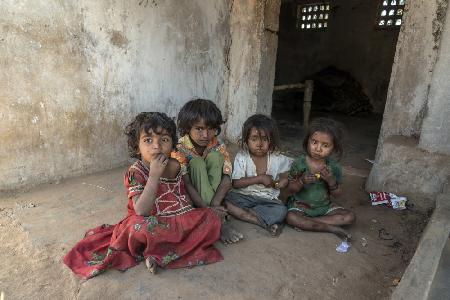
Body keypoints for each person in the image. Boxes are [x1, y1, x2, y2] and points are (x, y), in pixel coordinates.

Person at [63, 112, 222, 279]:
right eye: (148, 140)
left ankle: (157, 251)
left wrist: (208, 210)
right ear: (137, 147)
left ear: (173, 144)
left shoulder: (176, 165)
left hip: (178, 216)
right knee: (137, 227)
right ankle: (158, 251)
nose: (157, 146)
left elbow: (189, 188)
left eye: (164, 140)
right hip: (149, 220)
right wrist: (153, 176)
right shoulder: (136, 172)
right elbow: (140, 211)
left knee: (213, 218)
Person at [172, 99, 243, 244]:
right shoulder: (179, 148)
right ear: (187, 128)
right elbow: (187, 184)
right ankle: (219, 222)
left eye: (210, 128)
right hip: (191, 196)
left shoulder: (218, 144)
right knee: (197, 163)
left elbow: (226, 177)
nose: (205, 135)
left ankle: (213, 216)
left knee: (216, 157)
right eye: (199, 129)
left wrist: (215, 204)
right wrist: (211, 210)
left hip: (214, 197)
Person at [285, 117, 355, 239]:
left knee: (349, 217)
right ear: (307, 141)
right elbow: (290, 189)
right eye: (314, 142)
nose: (318, 149)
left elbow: (338, 194)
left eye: (325, 145)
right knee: (291, 217)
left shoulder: (333, 167)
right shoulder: (299, 163)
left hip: (325, 207)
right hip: (300, 206)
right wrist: (301, 181)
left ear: (334, 147)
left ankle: (308, 223)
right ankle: (331, 228)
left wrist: (330, 180)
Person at [224, 114, 292, 236]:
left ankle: (248, 215)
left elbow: (295, 167)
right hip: (243, 196)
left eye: (265, 139)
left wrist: (285, 180)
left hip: (266, 199)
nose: (259, 144)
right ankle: (262, 221)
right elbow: (236, 183)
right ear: (246, 140)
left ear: (271, 140)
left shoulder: (277, 158)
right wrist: (259, 178)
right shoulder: (242, 157)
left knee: (282, 210)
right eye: (254, 139)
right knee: (225, 201)